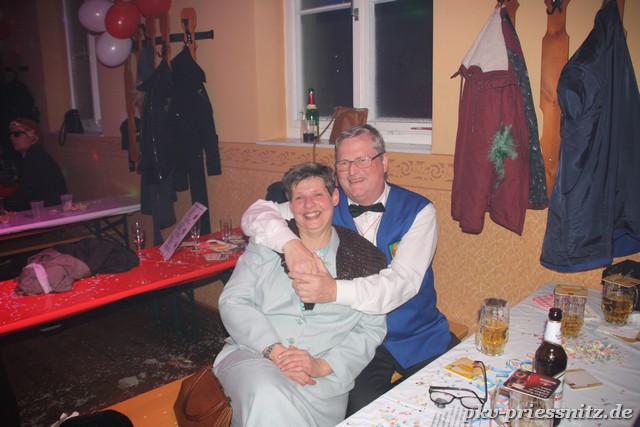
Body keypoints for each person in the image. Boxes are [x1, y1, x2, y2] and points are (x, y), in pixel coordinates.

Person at [241, 124, 459, 415]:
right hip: (354, 338)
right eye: (343, 163)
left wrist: (332, 291)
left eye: (362, 160)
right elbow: (256, 214)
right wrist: (290, 245)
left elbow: (401, 284)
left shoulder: (419, 211)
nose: (353, 171)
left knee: (458, 397)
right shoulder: (323, 204)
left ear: (384, 162)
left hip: (417, 334)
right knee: (362, 411)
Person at [214, 162, 388, 426]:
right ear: (290, 205)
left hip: (321, 383)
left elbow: (371, 329)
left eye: (317, 194)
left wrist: (321, 365)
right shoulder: (267, 244)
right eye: (299, 198)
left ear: (334, 197)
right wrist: (274, 350)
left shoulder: (366, 258)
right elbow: (233, 301)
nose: (309, 205)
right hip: (254, 358)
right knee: (267, 395)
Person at [4, 118, 67, 211]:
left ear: (31, 135)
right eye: (11, 134)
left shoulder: (34, 157)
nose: (11, 138)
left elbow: (25, 190)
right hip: (48, 208)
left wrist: (4, 206)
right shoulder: (35, 154)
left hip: (49, 211)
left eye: (17, 134)